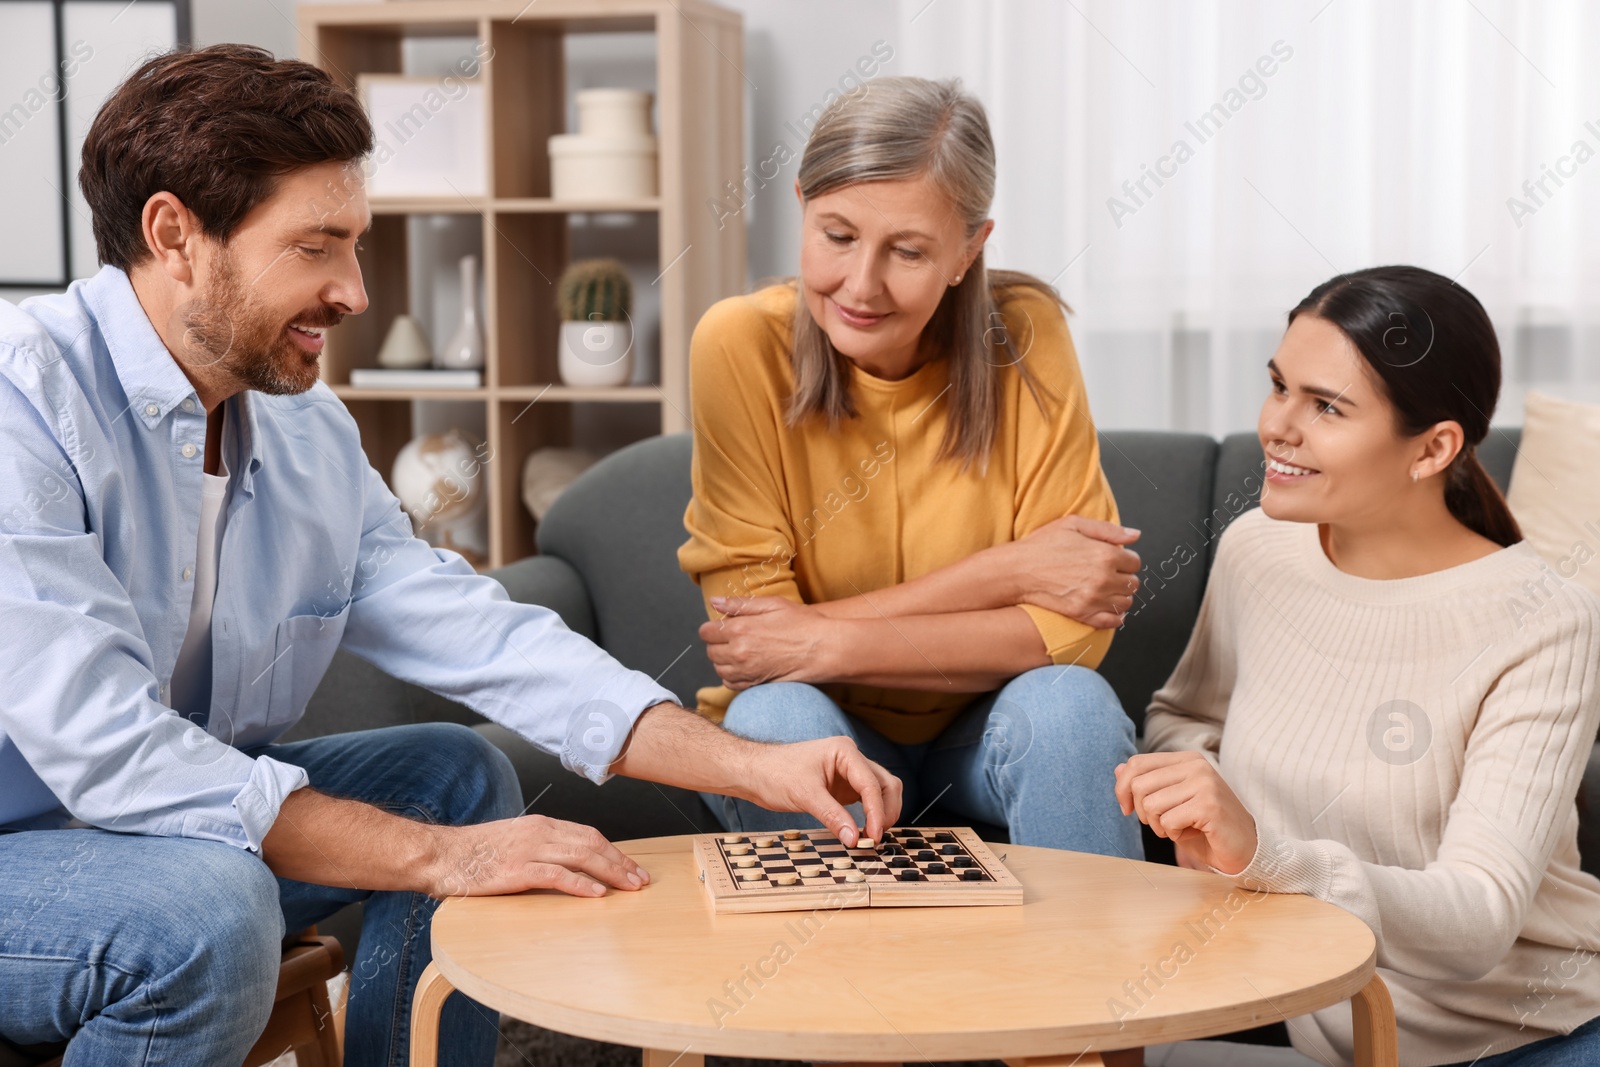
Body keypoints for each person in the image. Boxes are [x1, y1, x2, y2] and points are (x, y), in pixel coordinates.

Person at [0, 44, 902, 1067]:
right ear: (175, 235)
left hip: (170, 829)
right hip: (29, 843)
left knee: (456, 772)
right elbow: (109, 750)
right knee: (207, 910)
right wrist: (441, 859)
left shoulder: (303, 430)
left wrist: (751, 761)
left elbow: (477, 631)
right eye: (315, 246)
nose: (354, 292)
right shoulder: (21, 404)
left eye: (356, 245)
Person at [1117, 265, 1600, 1066]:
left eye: (1327, 406)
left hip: (1539, 1037)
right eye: (1279, 386)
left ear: (1434, 447)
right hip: (1352, 1037)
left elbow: (1479, 918)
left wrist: (1264, 851)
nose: (1279, 425)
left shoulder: (1544, 620)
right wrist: (1202, 795)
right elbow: (1184, 716)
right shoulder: (1258, 551)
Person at [677, 76, 1143, 860]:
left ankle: (1096, 981)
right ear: (800, 205)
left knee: (1071, 708)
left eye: (909, 251)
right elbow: (756, 643)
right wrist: (1008, 571)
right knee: (776, 714)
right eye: (837, 235)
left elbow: (1071, 634)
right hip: (818, 725)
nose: (861, 285)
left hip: (984, 732)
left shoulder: (1026, 332)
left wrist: (823, 640)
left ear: (969, 250)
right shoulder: (737, 345)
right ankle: (836, 986)